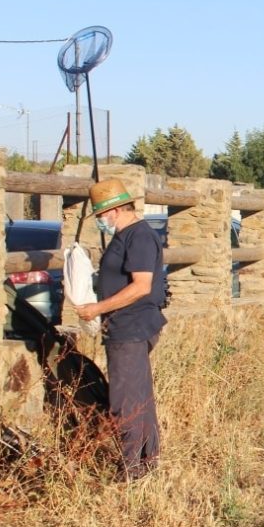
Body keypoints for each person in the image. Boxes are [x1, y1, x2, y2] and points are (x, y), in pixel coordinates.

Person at [73, 179, 168, 482]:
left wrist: (96, 309)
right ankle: (146, 463)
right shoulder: (127, 235)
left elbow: (141, 286)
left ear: (113, 210)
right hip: (125, 327)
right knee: (139, 397)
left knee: (125, 400)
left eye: (101, 216)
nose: (101, 221)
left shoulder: (138, 237)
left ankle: (130, 469)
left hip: (131, 326)